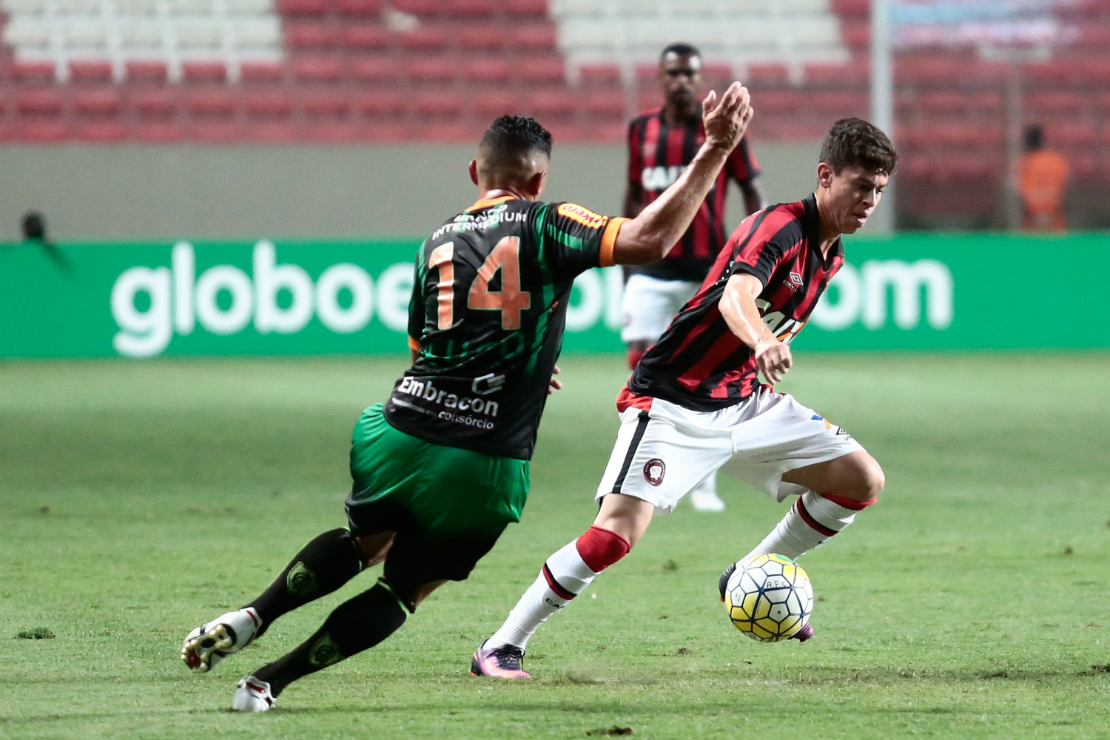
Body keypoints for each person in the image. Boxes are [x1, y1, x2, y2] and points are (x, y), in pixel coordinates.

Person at [180, 91, 755, 711]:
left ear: (475, 173)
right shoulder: (545, 219)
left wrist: (521, 359)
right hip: (482, 458)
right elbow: (649, 239)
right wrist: (716, 146)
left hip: (396, 430)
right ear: (537, 179)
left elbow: (425, 343)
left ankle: (253, 614)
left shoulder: (436, 240)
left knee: (362, 541)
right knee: (404, 587)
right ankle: (269, 681)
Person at [472, 118, 896, 679]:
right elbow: (735, 298)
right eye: (860, 186)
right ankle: (501, 645)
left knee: (861, 480)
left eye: (878, 190)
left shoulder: (830, 253)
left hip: (745, 401)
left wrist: (757, 360)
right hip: (672, 401)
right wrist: (763, 338)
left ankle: (747, 572)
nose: (868, 200)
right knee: (612, 537)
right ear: (825, 176)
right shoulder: (778, 227)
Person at [622, 42, 765, 512]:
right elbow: (632, 195)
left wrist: (759, 255)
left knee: (706, 376)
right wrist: (624, 262)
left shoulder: (724, 134)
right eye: (674, 73)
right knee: (642, 373)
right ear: (660, 78)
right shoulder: (640, 130)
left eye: (690, 73)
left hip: (707, 271)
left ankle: (703, 482)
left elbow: (752, 193)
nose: (682, 81)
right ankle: (646, 473)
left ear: (699, 78)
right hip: (648, 268)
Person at [1016, 124, 1069, 232]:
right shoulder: (1057, 161)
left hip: (1033, 217)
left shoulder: (1023, 163)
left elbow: (1020, 193)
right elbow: (1066, 189)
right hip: (1053, 216)